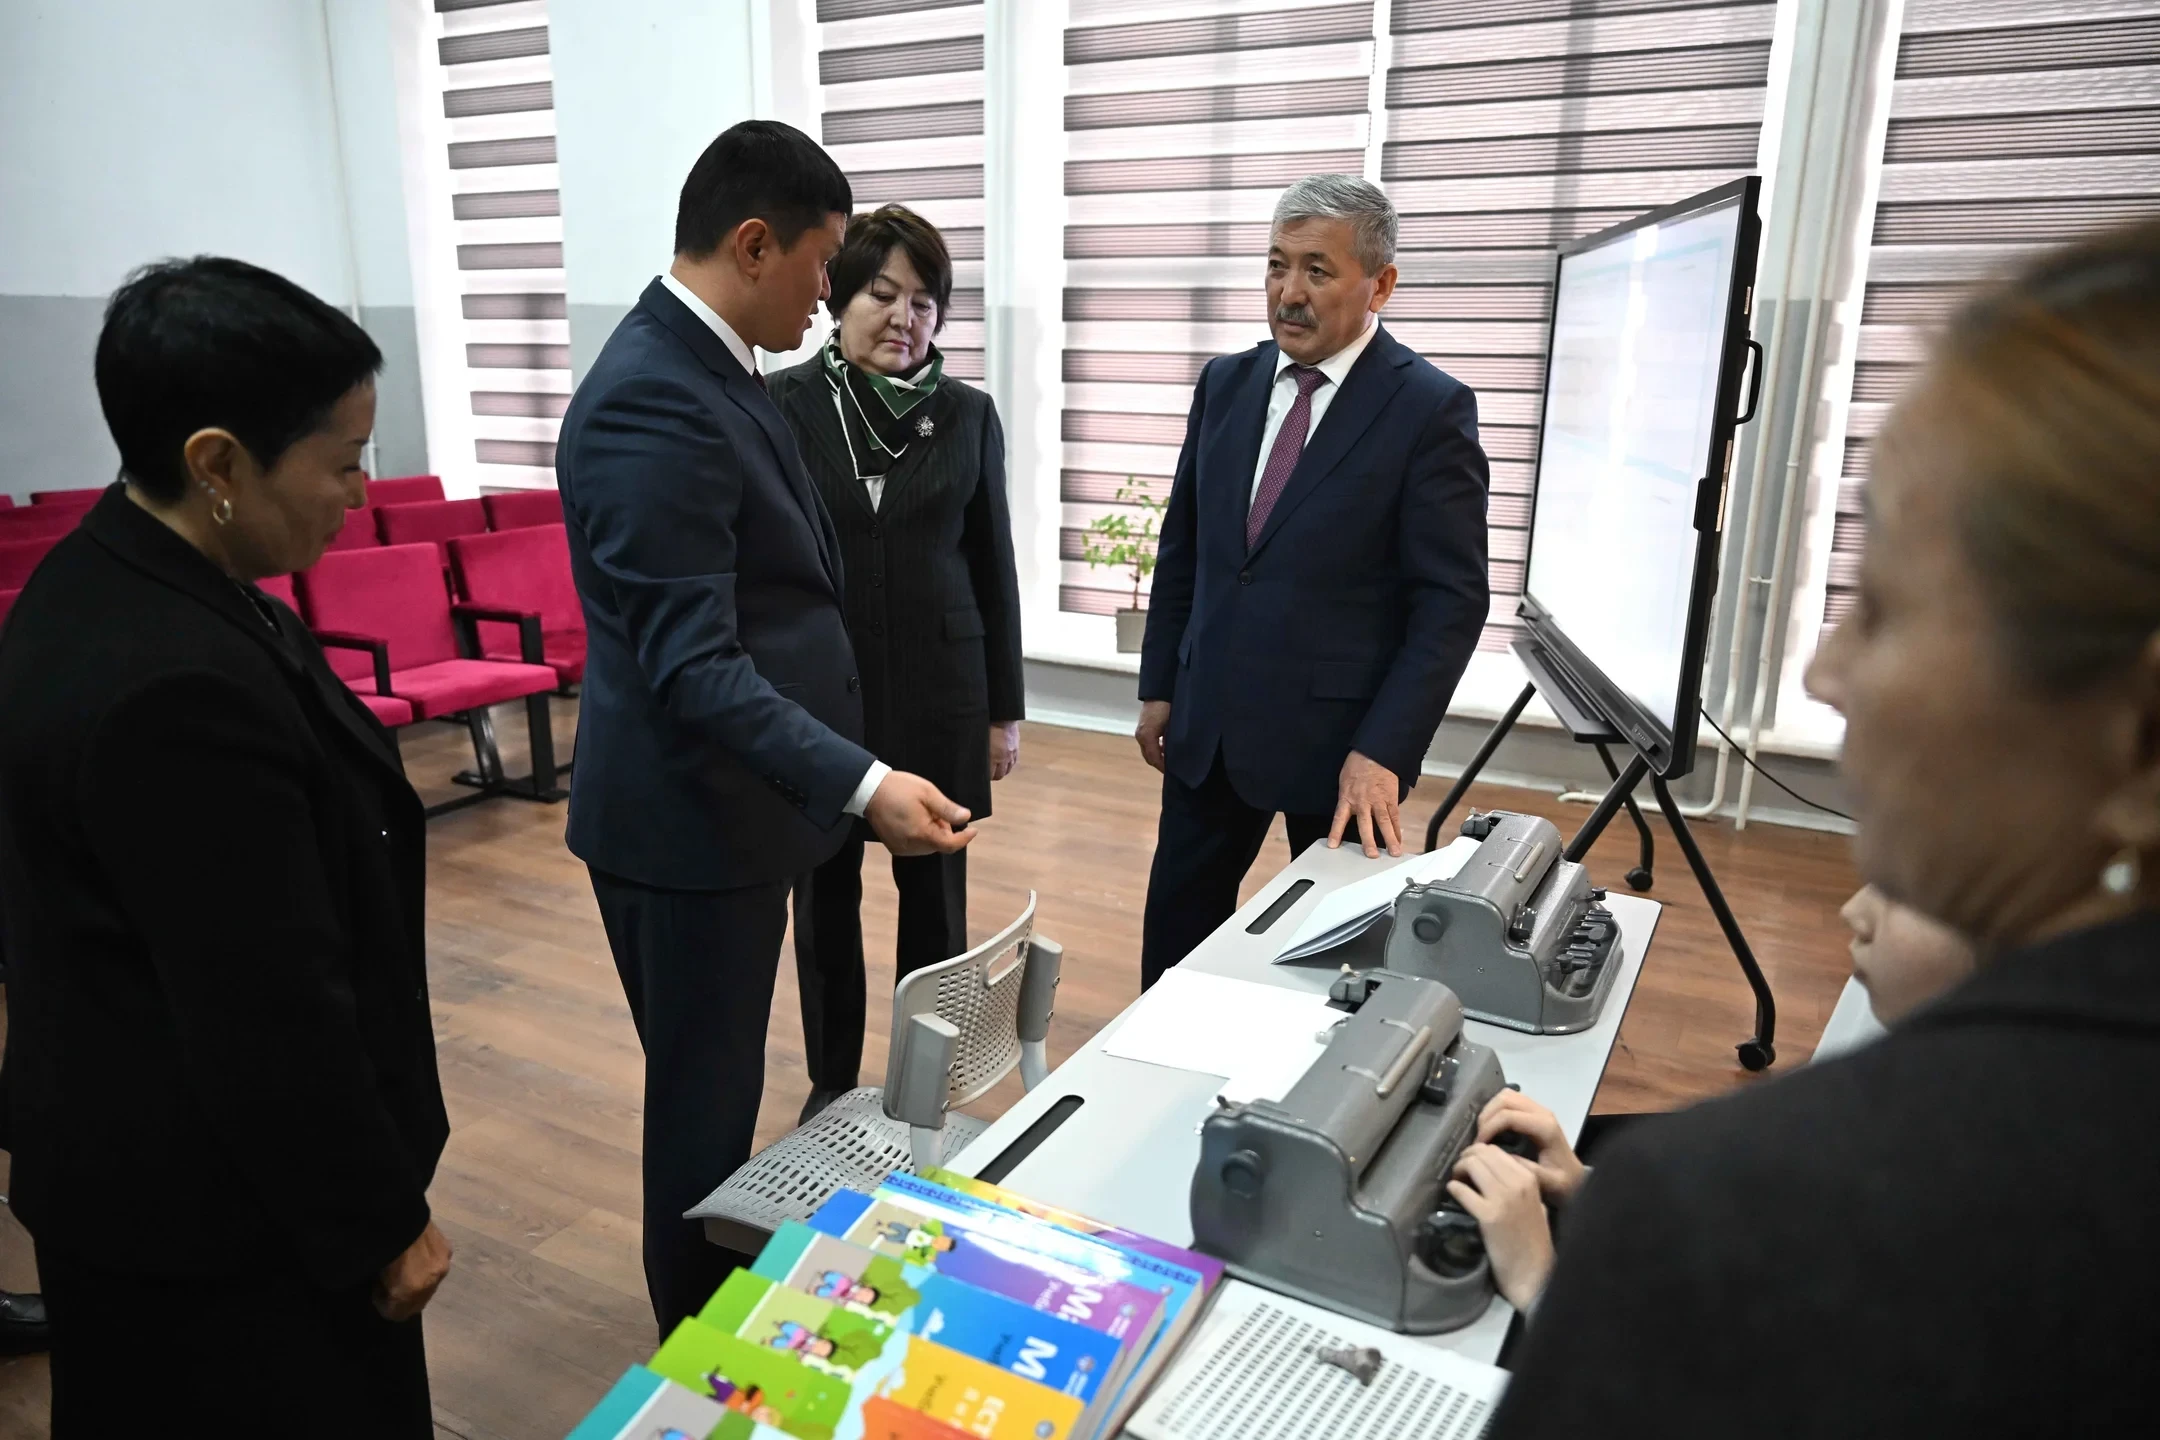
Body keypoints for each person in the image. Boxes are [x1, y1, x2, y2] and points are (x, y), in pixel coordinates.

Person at [1485, 220, 2160, 1435]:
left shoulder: (1749, 1229)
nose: (1825, 672)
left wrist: (1597, 1283)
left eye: (1885, 606)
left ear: (2142, 733)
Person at [0, 258, 450, 1433]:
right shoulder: (169, 687)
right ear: (216, 463)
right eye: (342, 462)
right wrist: (378, 1220)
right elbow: (263, 1008)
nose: (360, 491)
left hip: (162, 1181)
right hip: (216, 1223)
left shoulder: (138, 571)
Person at [557, 121, 975, 1337]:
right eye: (824, 263)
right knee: (701, 1115)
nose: (830, 291)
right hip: (685, 829)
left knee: (722, 1086)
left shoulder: (715, 366)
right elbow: (694, 664)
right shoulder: (653, 399)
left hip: (738, 810)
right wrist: (864, 782)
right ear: (754, 245)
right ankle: (695, 1365)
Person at [1136, 174, 1490, 988]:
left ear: (1380, 285)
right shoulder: (1225, 384)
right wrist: (1160, 685)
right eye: (1276, 265)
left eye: (1317, 271)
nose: (1288, 292)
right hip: (1207, 729)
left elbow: (1450, 603)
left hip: (1341, 754)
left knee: (1335, 968)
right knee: (1174, 948)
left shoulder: (1430, 409)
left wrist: (1384, 751)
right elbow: (1184, 546)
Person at [768, 205, 1025, 1122]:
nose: (903, 317)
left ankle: (925, 1082)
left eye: (924, 302)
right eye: (883, 293)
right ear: (838, 295)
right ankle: (832, 1080)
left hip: (939, 695)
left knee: (936, 903)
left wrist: (1003, 711)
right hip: (821, 702)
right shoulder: (781, 405)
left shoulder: (967, 415)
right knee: (823, 900)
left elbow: (993, 567)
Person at [1449, 887, 1979, 1314]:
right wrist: (1585, 1187)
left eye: (1904, 892)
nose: (1853, 910)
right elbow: (1784, 1216)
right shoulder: (1905, 1037)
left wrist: (1540, 1284)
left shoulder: (1946, 1188)